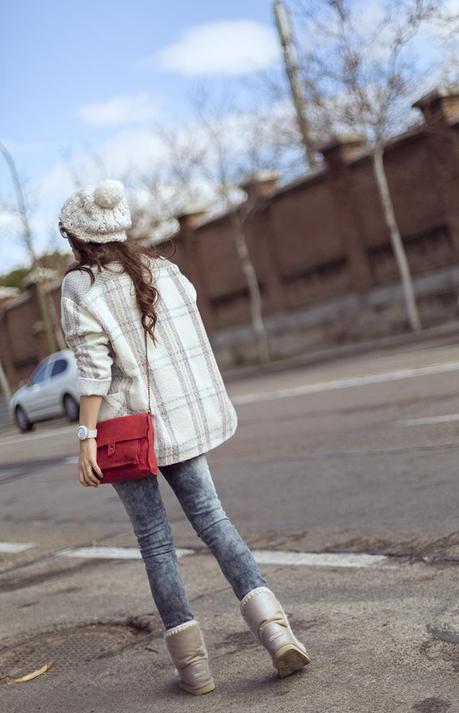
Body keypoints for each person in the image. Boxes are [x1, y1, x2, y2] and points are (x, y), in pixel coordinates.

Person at [58, 178, 310, 695]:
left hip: (127, 431)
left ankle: (194, 669)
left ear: (79, 238)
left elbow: (93, 371)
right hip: (181, 420)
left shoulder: (80, 287)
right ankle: (276, 631)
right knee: (215, 521)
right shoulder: (166, 272)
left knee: (156, 544)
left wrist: (85, 438)